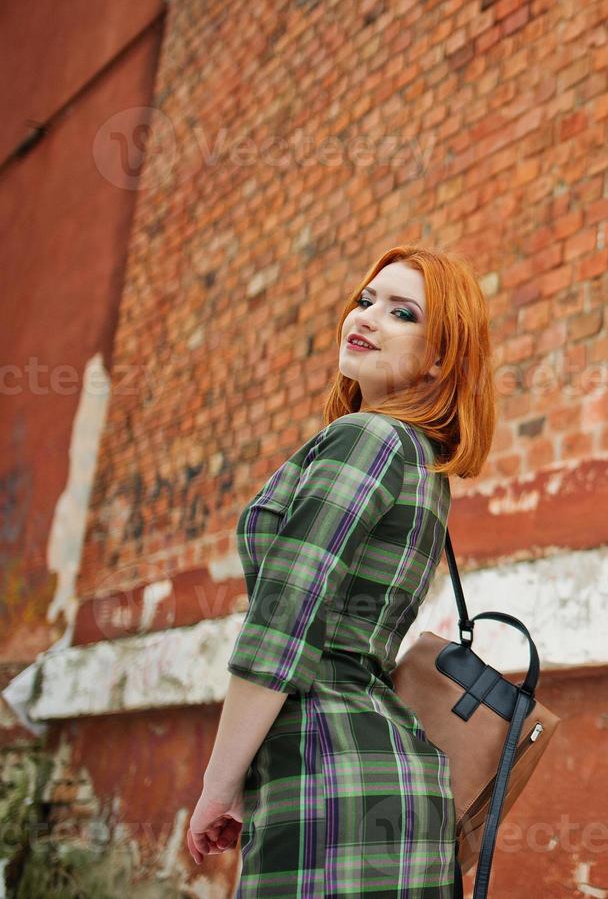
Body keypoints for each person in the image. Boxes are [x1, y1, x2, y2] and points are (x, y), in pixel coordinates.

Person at [187, 246, 497, 897]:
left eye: (402, 313)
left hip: (326, 768)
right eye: (366, 301)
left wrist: (220, 782)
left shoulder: (367, 438)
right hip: (383, 778)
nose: (369, 317)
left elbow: (284, 625)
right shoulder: (420, 460)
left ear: (441, 356)